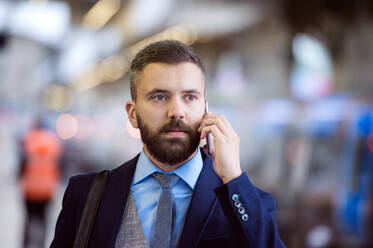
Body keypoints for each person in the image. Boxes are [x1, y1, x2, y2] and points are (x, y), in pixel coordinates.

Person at [50, 40, 286, 248]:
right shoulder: (87, 196)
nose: (177, 112)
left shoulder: (245, 201)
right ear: (132, 114)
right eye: (159, 97)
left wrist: (233, 177)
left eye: (190, 97)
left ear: (206, 110)